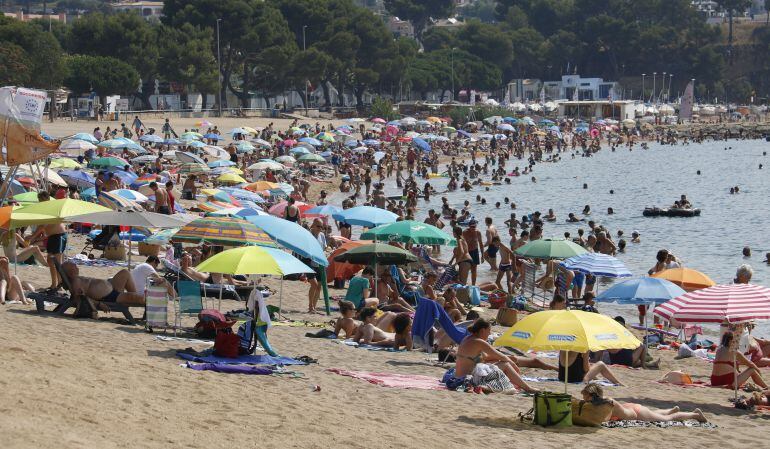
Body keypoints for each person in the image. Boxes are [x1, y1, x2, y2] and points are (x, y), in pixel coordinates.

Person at [446, 319, 539, 393]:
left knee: (498, 363)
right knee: (505, 364)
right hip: (468, 379)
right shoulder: (479, 342)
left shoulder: (467, 339)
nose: (490, 333)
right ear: (482, 330)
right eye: (489, 331)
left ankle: (522, 385)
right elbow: (501, 356)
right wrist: (513, 364)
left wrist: (507, 359)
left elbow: (485, 357)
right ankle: (528, 388)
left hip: (459, 376)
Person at [580, 383, 707, 423]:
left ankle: (695, 414)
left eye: (585, 396)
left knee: (667, 419)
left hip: (637, 413)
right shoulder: (602, 400)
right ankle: (670, 410)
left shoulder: (605, 404)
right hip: (630, 408)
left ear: (591, 395)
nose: (584, 398)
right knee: (654, 413)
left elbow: (604, 419)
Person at [61, 261, 145, 316]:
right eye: (73, 265)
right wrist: (99, 304)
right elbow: (80, 299)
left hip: (111, 286)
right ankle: (140, 299)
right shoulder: (76, 282)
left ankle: (136, 298)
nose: (76, 266)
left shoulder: (77, 279)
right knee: (136, 297)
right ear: (71, 272)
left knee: (125, 272)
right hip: (108, 297)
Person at [27, 192, 68, 290]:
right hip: (53, 236)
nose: (41, 201)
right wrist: (37, 237)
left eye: (43, 199)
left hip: (59, 236)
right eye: (40, 199)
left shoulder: (50, 207)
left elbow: (42, 226)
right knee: (50, 261)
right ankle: (55, 284)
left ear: (47, 198)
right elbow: (43, 226)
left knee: (57, 262)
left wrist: (32, 237)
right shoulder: (45, 208)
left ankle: (60, 284)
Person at [558, 350, 624, 385]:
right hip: (575, 379)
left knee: (594, 368)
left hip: (562, 377)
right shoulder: (583, 347)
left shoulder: (564, 346)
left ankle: (598, 379)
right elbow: (586, 368)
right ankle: (618, 383)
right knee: (601, 364)